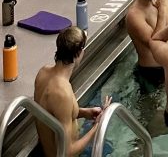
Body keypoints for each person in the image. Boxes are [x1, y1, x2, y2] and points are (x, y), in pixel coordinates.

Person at [33, 26, 112, 157]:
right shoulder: (62, 92)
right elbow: (66, 152)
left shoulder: (43, 73)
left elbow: (53, 113)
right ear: (79, 52)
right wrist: (97, 127)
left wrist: (85, 113)